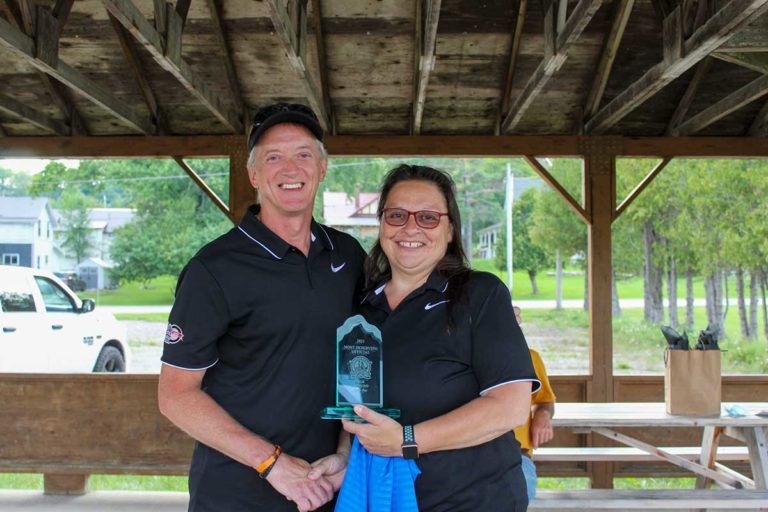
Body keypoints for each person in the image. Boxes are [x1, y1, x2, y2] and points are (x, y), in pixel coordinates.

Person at [157, 103, 366, 512]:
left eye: (303, 154)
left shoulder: (348, 256)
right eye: (273, 157)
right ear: (254, 174)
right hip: (236, 493)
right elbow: (176, 396)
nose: (290, 168)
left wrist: (345, 452)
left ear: (321, 169)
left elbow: (360, 362)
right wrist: (271, 463)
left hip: (328, 488)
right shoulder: (214, 269)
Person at [340, 164, 541, 511]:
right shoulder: (361, 307)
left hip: (474, 499)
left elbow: (510, 407)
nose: (411, 227)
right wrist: (343, 457)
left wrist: (407, 440)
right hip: (380, 497)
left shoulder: (481, 294)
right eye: (397, 215)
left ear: (450, 230)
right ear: (382, 223)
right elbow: (357, 404)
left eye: (429, 217)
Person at [512, 306, 556, 501]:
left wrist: (543, 414)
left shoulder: (530, 357)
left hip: (517, 456)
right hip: (469, 457)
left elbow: (545, 400)